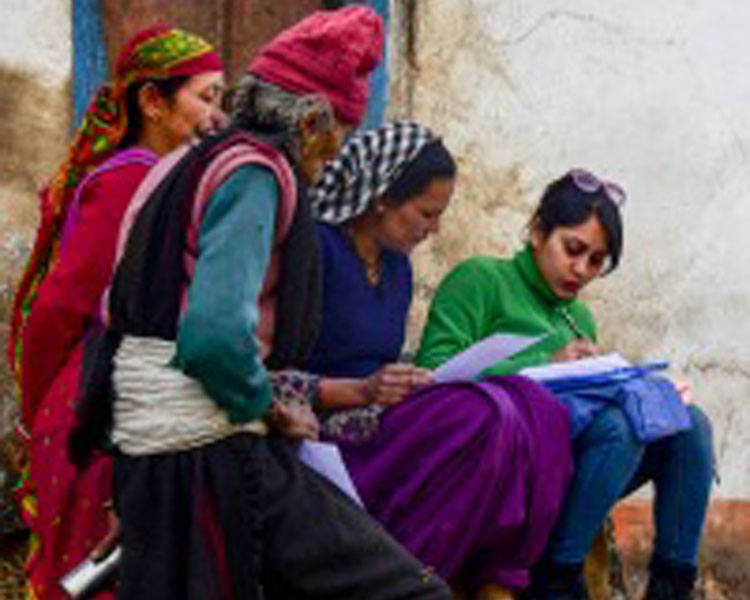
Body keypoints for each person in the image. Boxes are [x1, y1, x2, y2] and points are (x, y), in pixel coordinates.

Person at [73, 8, 450, 600]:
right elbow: (215, 337)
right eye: (337, 139)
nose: (330, 161)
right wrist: (269, 408)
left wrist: (132, 483)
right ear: (313, 121)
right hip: (211, 448)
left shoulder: (183, 164)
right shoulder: (256, 175)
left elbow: (117, 320)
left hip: (155, 452)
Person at [305, 121, 573, 600]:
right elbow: (276, 372)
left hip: (384, 412)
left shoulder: (395, 266)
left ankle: (500, 581)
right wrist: (364, 388)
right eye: (427, 213)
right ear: (382, 197)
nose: (435, 229)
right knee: (480, 415)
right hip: (328, 426)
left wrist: (409, 379)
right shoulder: (316, 253)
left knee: (536, 405)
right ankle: (415, 578)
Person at [416, 169, 714, 600]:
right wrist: (546, 363)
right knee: (618, 426)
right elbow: (433, 376)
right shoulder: (481, 280)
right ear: (538, 232)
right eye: (573, 250)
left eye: (596, 261)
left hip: (568, 462)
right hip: (500, 464)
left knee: (689, 424)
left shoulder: (577, 318)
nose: (581, 270)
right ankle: (557, 577)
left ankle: (672, 584)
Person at [8, 24, 224, 600]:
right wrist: (41, 410)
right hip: (100, 409)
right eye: (206, 97)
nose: (217, 116)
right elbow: (61, 307)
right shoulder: (130, 182)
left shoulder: (180, 180)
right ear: (153, 101)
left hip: (135, 403)